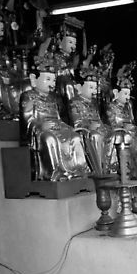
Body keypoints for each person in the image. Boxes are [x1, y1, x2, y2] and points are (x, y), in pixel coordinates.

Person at [19, 51, 88, 181]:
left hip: (56, 127)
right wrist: (40, 125)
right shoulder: (28, 96)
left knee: (75, 137)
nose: (51, 83)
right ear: (34, 80)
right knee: (49, 139)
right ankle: (54, 172)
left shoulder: (53, 98)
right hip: (41, 130)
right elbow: (28, 120)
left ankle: (78, 170)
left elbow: (58, 118)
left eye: (53, 80)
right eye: (48, 79)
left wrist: (65, 126)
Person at [69, 65, 114, 174]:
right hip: (86, 132)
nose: (94, 91)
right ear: (79, 87)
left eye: (95, 88)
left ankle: (110, 167)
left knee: (114, 134)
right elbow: (77, 122)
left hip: (98, 128)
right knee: (96, 136)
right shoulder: (75, 102)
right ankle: (98, 169)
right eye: (90, 87)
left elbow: (98, 118)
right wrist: (89, 125)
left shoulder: (94, 103)